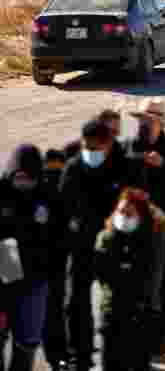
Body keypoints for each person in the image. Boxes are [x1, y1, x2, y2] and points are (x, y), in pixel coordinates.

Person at [60, 118, 143, 371]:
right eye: (87, 147)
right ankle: (80, 356)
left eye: (96, 148)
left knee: (119, 302)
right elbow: (63, 206)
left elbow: (137, 208)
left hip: (115, 247)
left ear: (108, 144)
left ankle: (119, 353)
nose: (91, 152)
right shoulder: (74, 167)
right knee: (76, 302)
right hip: (82, 244)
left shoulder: (126, 167)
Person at [124, 98, 165, 353]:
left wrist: (163, 165)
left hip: (163, 220)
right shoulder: (128, 147)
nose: (146, 125)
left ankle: (164, 320)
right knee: (135, 271)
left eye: (151, 121)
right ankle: (136, 323)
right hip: (133, 221)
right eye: (143, 121)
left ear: (160, 124)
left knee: (164, 270)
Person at [93, 189, 165, 371]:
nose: (124, 217)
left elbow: (152, 275)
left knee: (139, 363)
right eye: (121, 212)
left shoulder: (149, 239)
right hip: (112, 311)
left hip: (140, 313)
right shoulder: (106, 238)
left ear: (140, 216)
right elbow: (101, 274)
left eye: (129, 213)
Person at [0, 145, 60, 371]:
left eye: (29, 178)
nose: (23, 182)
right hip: (4, 271)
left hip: (35, 278)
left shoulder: (47, 196)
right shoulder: (2, 192)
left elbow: (58, 237)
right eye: (19, 177)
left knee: (27, 341)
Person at [42, 149, 71, 371]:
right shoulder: (63, 188)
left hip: (56, 260)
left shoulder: (44, 190)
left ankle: (58, 356)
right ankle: (58, 355)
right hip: (50, 261)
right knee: (55, 308)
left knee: (55, 308)